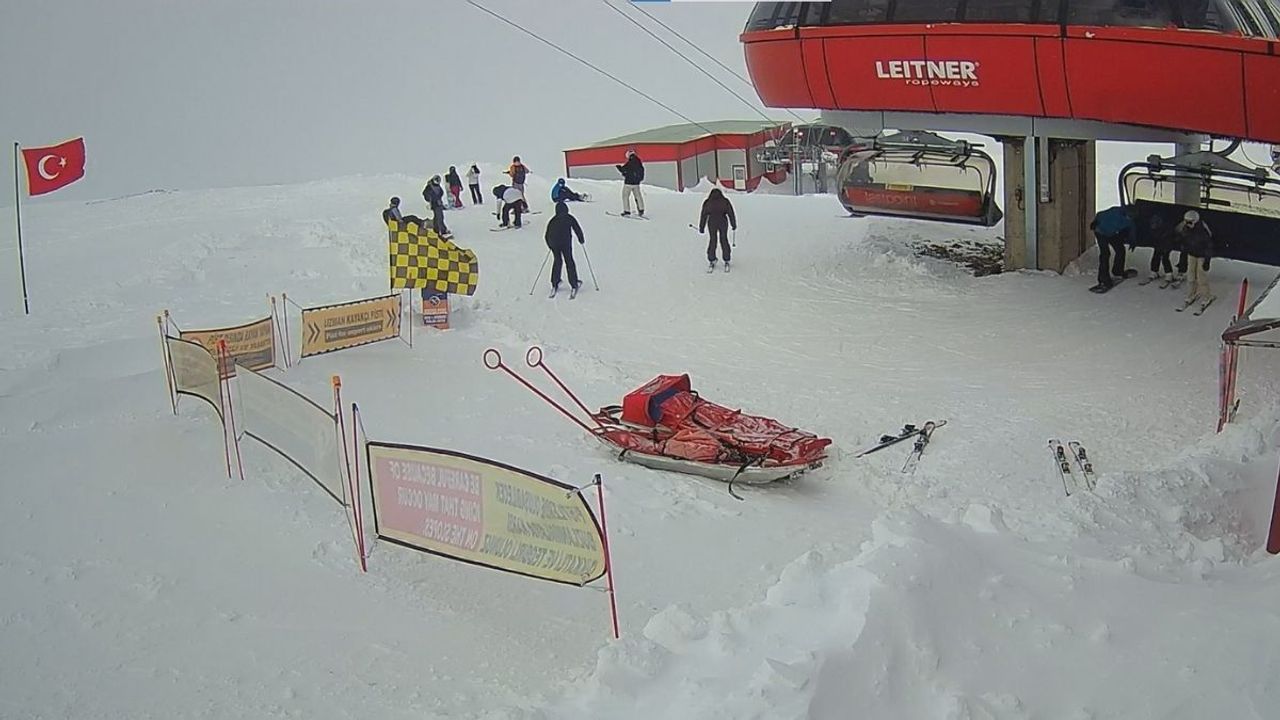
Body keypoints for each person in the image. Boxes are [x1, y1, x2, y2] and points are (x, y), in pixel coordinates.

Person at [1088, 204, 1136, 292]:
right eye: (1129, 216)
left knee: (1120, 250)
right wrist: (1095, 222)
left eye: (1131, 217)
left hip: (1112, 233)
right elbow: (1100, 214)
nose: (1129, 219)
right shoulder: (1115, 212)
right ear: (1126, 213)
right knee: (1105, 254)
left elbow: (1132, 229)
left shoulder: (1130, 220)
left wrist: (1133, 241)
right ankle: (1103, 280)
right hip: (1101, 232)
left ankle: (1118, 271)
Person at [544, 201, 585, 297]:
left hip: (554, 244)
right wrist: (581, 239)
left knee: (557, 261)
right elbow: (577, 228)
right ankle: (574, 283)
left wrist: (550, 245)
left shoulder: (553, 220)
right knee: (569, 262)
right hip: (566, 244)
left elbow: (547, 234)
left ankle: (555, 282)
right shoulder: (569, 218)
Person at [1176, 209, 1214, 303]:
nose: (1188, 224)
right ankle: (1191, 294)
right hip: (1191, 254)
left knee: (1201, 277)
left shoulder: (1203, 231)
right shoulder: (1186, 229)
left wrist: (1207, 261)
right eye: (1186, 222)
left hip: (1201, 256)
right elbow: (1183, 239)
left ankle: (1207, 296)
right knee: (1191, 276)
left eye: (1190, 222)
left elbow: (1209, 246)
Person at [699, 188, 737, 271]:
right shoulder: (725, 201)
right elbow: (731, 213)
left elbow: (704, 215)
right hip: (723, 221)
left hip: (712, 222)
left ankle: (712, 258)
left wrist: (701, 227)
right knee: (724, 239)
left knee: (713, 240)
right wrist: (733, 224)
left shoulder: (708, 202)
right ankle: (726, 258)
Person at [617, 149, 645, 216]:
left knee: (625, 196)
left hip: (628, 183)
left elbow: (624, 170)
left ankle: (627, 211)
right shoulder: (639, 161)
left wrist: (619, 168)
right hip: (636, 183)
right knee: (638, 196)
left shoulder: (630, 162)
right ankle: (641, 209)